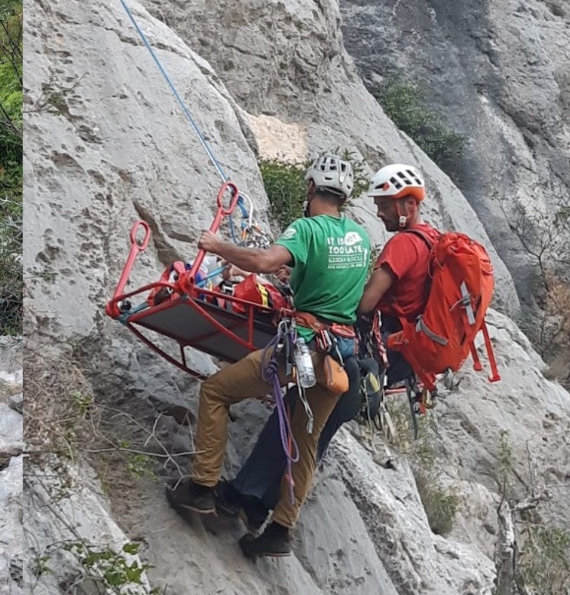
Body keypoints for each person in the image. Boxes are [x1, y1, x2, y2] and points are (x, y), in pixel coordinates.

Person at [217, 164, 437, 543]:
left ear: (407, 205)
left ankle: (249, 501)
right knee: (310, 430)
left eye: (385, 205)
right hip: (392, 364)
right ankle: (263, 512)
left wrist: (319, 294)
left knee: (299, 420)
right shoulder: (432, 240)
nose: (381, 213)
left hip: (363, 350)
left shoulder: (404, 244)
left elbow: (364, 303)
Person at [167, 153, 371, 558]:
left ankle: (202, 488)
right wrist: (290, 277)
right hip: (337, 356)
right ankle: (280, 530)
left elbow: (262, 260)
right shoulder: (361, 238)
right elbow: (335, 285)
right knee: (305, 441)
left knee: (216, 391)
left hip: (301, 347)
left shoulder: (307, 229)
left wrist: (218, 246)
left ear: (311, 188)